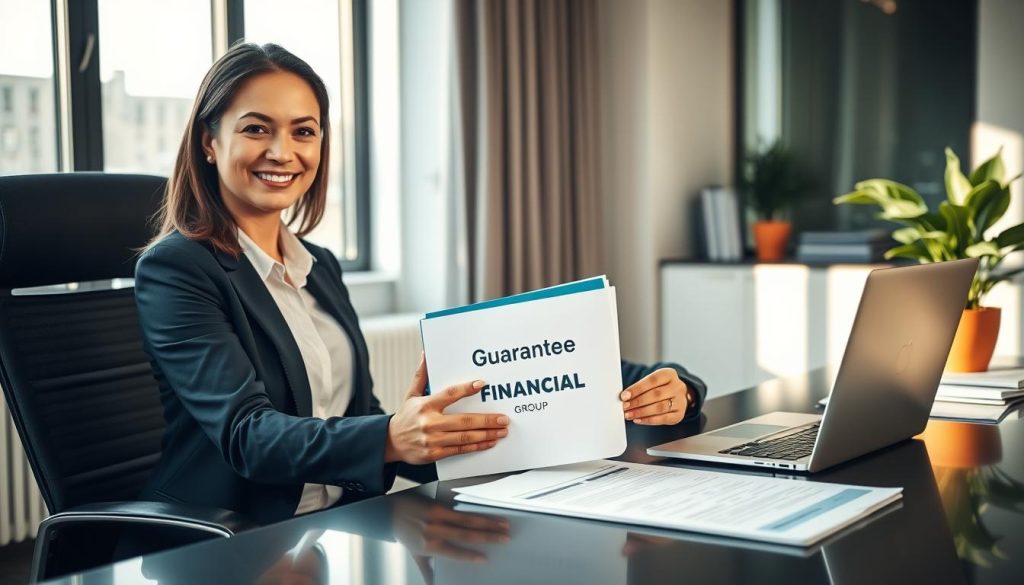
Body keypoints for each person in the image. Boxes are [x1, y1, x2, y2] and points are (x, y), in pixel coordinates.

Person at [133, 42, 707, 527]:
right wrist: (389, 436)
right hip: (234, 538)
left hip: (341, 523)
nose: (283, 152)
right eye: (256, 128)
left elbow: (361, 419)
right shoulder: (179, 267)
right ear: (210, 142)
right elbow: (247, 435)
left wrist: (673, 395)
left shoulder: (319, 266)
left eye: (303, 131)